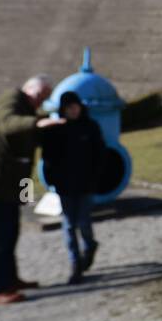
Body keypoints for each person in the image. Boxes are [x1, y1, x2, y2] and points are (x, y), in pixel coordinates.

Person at [0, 75, 64, 305]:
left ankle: (11, 279)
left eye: (45, 98)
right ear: (31, 89)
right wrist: (37, 123)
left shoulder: (26, 107)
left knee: (11, 233)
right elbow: (6, 124)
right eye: (41, 96)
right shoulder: (11, 99)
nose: (41, 102)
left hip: (16, 183)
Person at [41, 90, 106, 285]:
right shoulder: (55, 131)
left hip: (86, 185)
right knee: (69, 225)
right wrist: (53, 180)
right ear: (63, 109)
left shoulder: (91, 127)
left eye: (75, 106)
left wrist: (95, 179)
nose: (73, 110)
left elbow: (100, 154)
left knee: (84, 222)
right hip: (65, 187)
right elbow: (48, 157)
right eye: (69, 108)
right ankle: (75, 264)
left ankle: (90, 246)